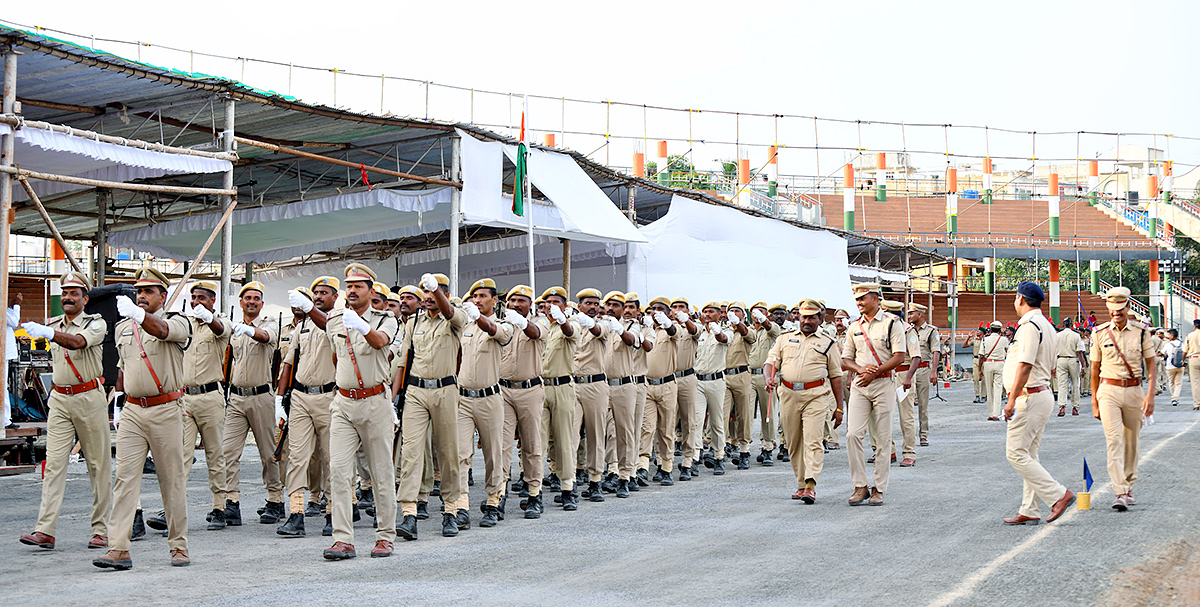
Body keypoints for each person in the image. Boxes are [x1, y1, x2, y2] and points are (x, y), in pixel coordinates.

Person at [94, 267, 192, 570]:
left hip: (166, 409)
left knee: (171, 480)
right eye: (139, 291)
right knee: (124, 480)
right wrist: (119, 404)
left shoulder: (178, 321)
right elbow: (123, 368)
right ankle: (118, 547)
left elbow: (162, 331)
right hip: (134, 410)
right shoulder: (124, 327)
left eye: (149, 291)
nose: (142, 296)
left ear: (163, 295)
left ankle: (178, 545)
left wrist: (139, 316)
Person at [309, 263, 399, 558]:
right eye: (349, 285)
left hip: (375, 402)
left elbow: (379, 342)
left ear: (371, 291)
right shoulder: (335, 319)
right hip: (344, 403)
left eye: (359, 286)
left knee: (381, 473)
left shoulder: (387, 319)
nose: (352, 290)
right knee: (338, 471)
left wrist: (361, 325)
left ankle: (385, 535)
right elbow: (338, 357)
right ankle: (343, 538)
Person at [19, 272, 111, 551]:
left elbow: (78, 343)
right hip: (59, 399)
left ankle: (102, 530)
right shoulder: (55, 324)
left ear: (85, 298)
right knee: (55, 465)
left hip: (88, 397)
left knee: (98, 466)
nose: (68, 297)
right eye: (65, 293)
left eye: (74, 293)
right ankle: (45, 530)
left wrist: (48, 333)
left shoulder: (96, 323)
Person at [1001, 281, 1076, 525]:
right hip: (1039, 393)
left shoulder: (1030, 326)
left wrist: (1011, 398)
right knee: (1029, 454)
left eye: (1015, 298)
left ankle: (1058, 495)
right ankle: (1029, 509)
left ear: (1021, 299)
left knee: (1015, 454)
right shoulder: (1046, 324)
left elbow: (1025, 364)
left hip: (1029, 395)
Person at [395, 272, 464, 540]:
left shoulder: (455, 318)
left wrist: (438, 293)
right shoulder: (414, 322)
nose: (426, 299)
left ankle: (450, 510)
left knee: (448, 452)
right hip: (416, 390)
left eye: (432, 294)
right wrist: (396, 396)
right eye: (424, 294)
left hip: (445, 390)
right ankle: (409, 513)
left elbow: (451, 314)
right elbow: (405, 359)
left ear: (443, 294)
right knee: (411, 453)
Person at [277, 278, 339, 537]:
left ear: (335, 297)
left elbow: (327, 326)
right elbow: (288, 362)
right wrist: (278, 400)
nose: (318, 296)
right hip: (301, 396)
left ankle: (333, 513)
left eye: (324, 293)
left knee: (331, 458)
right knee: (297, 456)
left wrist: (312, 311)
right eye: (315, 293)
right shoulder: (302, 324)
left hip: (329, 395)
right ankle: (296, 513)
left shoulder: (338, 320)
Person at [765, 299, 844, 504]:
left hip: (816, 396)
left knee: (813, 440)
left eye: (811, 317)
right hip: (789, 395)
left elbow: (836, 376)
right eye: (803, 317)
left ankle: (811, 485)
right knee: (793, 442)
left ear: (820, 319)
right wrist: (768, 378)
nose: (806, 321)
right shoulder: (784, 339)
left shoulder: (828, 343)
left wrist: (839, 408)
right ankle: (800, 484)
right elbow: (770, 362)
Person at [221, 282, 284, 527]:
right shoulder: (232, 330)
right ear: (241, 302)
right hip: (236, 398)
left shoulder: (269, 323)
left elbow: (266, 337)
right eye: (248, 298)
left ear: (261, 303)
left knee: (269, 453)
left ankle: (275, 499)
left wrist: (246, 330)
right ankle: (231, 502)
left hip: (261, 397)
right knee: (228, 452)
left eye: (256, 298)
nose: (252, 302)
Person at [1089, 286, 1155, 512]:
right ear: (1108, 309)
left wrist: (1150, 395)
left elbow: (1152, 366)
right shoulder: (1099, 333)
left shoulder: (1142, 332)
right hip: (1108, 391)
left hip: (1135, 391)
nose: (1117, 313)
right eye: (1113, 309)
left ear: (1128, 307)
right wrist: (1094, 401)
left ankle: (1128, 485)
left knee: (1131, 442)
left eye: (1121, 309)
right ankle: (1120, 491)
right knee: (1114, 440)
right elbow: (1094, 369)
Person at [455, 279, 514, 528]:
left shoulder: (503, 325)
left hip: (490, 398)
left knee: (493, 454)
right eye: (474, 296)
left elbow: (495, 332)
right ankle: (460, 506)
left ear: (494, 300)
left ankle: (493, 501)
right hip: (463, 399)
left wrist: (478, 317)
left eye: (482, 296)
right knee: (460, 454)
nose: (477, 300)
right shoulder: (465, 324)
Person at [841, 283, 906, 507]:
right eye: (857, 299)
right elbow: (846, 359)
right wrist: (860, 370)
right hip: (860, 385)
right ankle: (860, 485)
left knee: (882, 437)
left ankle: (879, 488)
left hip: (884, 383)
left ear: (876, 299)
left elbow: (899, 356)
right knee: (852, 435)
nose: (859, 303)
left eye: (863, 298)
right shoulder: (854, 327)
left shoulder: (891, 323)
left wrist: (875, 372)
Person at [177, 281, 231, 531]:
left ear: (212, 300)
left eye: (202, 297)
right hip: (186, 397)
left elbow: (221, 330)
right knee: (181, 455)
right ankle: (175, 509)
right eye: (194, 297)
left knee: (215, 454)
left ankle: (219, 506)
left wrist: (208, 317)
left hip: (210, 397)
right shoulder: (185, 325)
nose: (197, 301)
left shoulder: (220, 323)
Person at [498, 285, 547, 516]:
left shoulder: (541, 321)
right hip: (504, 390)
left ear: (530, 304)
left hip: (530, 390)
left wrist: (521, 322)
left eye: (521, 301)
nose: (516, 304)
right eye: (512, 300)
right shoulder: (503, 323)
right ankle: (498, 495)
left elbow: (535, 333)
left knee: (531, 445)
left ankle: (534, 493)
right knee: (502, 445)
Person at [539, 287, 581, 509]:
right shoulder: (540, 326)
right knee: (538, 441)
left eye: (556, 302)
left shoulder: (570, 324)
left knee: (564, 441)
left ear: (564, 305)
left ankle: (568, 488)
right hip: (539, 388)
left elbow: (570, 332)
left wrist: (561, 318)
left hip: (562, 386)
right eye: (548, 302)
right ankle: (534, 491)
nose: (551, 305)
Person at [600, 291, 643, 493]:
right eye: (608, 305)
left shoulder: (632, 327)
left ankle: (627, 475)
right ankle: (612, 470)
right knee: (608, 432)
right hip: (602, 385)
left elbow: (632, 341)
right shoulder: (600, 327)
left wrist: (619, 330)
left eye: (616, 305)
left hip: (624, 385)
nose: (611, 308)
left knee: (625, 432)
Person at [572, 288, 612, 500]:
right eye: (588, 303)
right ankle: (569, 482)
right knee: (570, 434)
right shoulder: (573, 325)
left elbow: (598, 331)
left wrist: (589, 322)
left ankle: (595, 480)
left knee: (596, 434)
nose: (593, 307)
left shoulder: (603, 324)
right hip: (573, 384)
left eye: (596, 304)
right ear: (580, 306)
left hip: (595, 384)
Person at [695, 302, 733, 475]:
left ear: (719, 314)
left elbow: (723, 339)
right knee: (696, 421)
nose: (707, 314)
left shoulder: (727, 330)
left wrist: (717, 330)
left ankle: (719, 456)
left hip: (716, 381)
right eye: (705, 312)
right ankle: (694, 457)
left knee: (717, 421)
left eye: (711, 312)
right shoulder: (699, 331)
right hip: (698, 381)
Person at [722, 302, 757, 469]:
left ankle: (744, 450)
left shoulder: (748, 330)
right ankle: (720, 450)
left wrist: (737, 323)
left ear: (743, 315)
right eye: (731, 311)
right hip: (724, 375)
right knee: (721, 414)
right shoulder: (723, 331)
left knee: (744, 415)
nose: (733, 313)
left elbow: (748, 335)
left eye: (737, 311)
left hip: (741, 375)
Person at [749, 302, 782, 466]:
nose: (757, 314)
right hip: (747, 376)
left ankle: (768, 447)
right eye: (754, 312)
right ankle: (743, 448)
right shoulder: (747, 330)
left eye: (761, 312)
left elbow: (772, 328)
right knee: (746, 413)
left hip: (765, 376)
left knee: (767, 413)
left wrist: (763, 320)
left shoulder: (771, 328)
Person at [907, 303, 939, 447]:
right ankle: (909, 435)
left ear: (919, 314)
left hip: (924, 369)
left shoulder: (931, 331)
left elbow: (936, 351)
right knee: (906, 404)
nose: (909, 316)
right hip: (909, 370)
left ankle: (923, 435)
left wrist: (933, 371)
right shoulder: (907, 330)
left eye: (911, 313)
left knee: (923, 404)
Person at [1055, 317, 1086, 417]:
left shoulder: (1058, 336)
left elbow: (1054, 351)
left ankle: (1062, 407)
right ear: (1071, 325)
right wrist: (1083, 366)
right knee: (1075, 384)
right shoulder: (1076, 335)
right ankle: (1075, 407)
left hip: (1061, 359)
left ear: (1063, 325)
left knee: (1062, 384)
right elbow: (1079, 352)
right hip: (1073, 359)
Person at [980, 321, 1010, 421]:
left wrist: (980, 369)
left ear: (991, 329)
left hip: (988, 363)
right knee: (998, 389)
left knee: (989, 388)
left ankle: (990, 412)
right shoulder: (1004, 340)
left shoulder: (985, 340)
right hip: (1000, 363)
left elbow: (981, 356)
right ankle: (996, 414)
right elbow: (1008, 351)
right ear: (1000, 330)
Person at [3, 293, 19, 430]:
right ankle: (5, 421)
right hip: (3, 353)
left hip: (4, 353)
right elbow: (13, 322)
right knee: (3, 387)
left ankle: (5, 419)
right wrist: (17, 305)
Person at [1160, 329, 1184, 406]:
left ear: (1172, 336)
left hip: (1170, 366)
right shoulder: (1181, 344)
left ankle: (1173, 398)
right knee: (1178, 383)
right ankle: (1175, 398)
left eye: (1169, 335)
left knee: (1171, 382)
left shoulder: (1168, 344)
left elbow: (1163, 353)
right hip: (1180, 365)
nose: (1168, 336)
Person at [964, 324, 986, 403]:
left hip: (984, 360)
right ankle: (977, 395)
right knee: (976, 379)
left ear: (982, 333)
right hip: (976, 360)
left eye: (979, 331)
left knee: (984, 379)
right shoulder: (974, 341)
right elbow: (964, 345)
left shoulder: (986, 340)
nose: (977, 332)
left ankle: (983, 395)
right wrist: (968, 337)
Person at [1184, 319, 1200, 410]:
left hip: (1193, 359)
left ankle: (1197, 404)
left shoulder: (1190, 335)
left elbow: (1185, 350)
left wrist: (1183, 360)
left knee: (1195, 382)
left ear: (1194, 326)